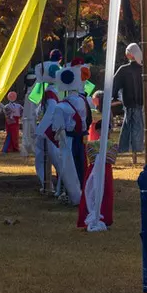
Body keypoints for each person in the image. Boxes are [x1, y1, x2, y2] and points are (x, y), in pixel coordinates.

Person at [40, 68, 84, 206]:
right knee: (80, 165)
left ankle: (69, 193)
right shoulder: (83, 101)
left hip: (68, 139)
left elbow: (57, 128)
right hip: (80, 138)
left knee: (67, 167)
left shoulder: (61, 107)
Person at [115, 43, 146, 160]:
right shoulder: (144, 69)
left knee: (130, 126)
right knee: (137, 127)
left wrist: (112, 98)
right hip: (141, 104)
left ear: (129, 54)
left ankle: (130, 150)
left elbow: (114, 85)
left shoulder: (123, 70)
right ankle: (136, 150)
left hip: (129, 104)